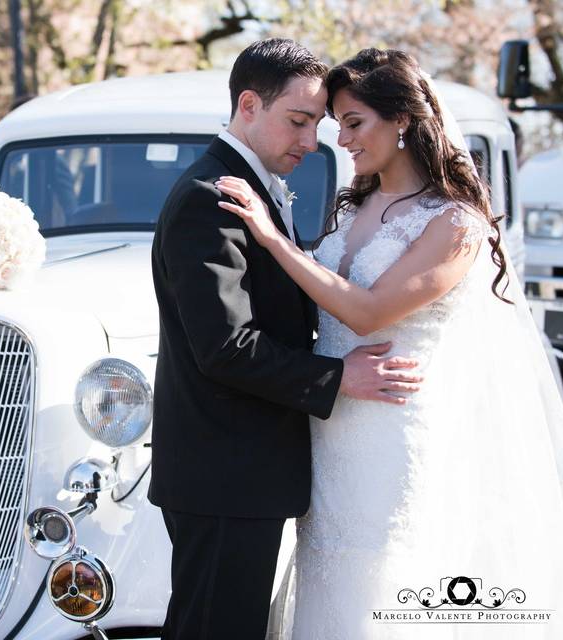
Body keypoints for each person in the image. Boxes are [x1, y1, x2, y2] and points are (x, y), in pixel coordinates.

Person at [217, 48, 563, 638]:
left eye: (354, 124)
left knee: (382, 583)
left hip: (393, 432)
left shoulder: (456, 224)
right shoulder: (354, 206)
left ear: (404, 119)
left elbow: (368, 312)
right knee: (330, 579)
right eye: (335, 126)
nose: (342, 142)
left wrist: (271, 237)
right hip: (331, 438)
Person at [148, 39, 423, 638]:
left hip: (246, 470)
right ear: (249, 104)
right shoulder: (211, 199)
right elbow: (226, 347)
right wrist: (338, 378)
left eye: (317, 125)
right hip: (225, 471)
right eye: (297, 122)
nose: (310, 141)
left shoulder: (253, 187)